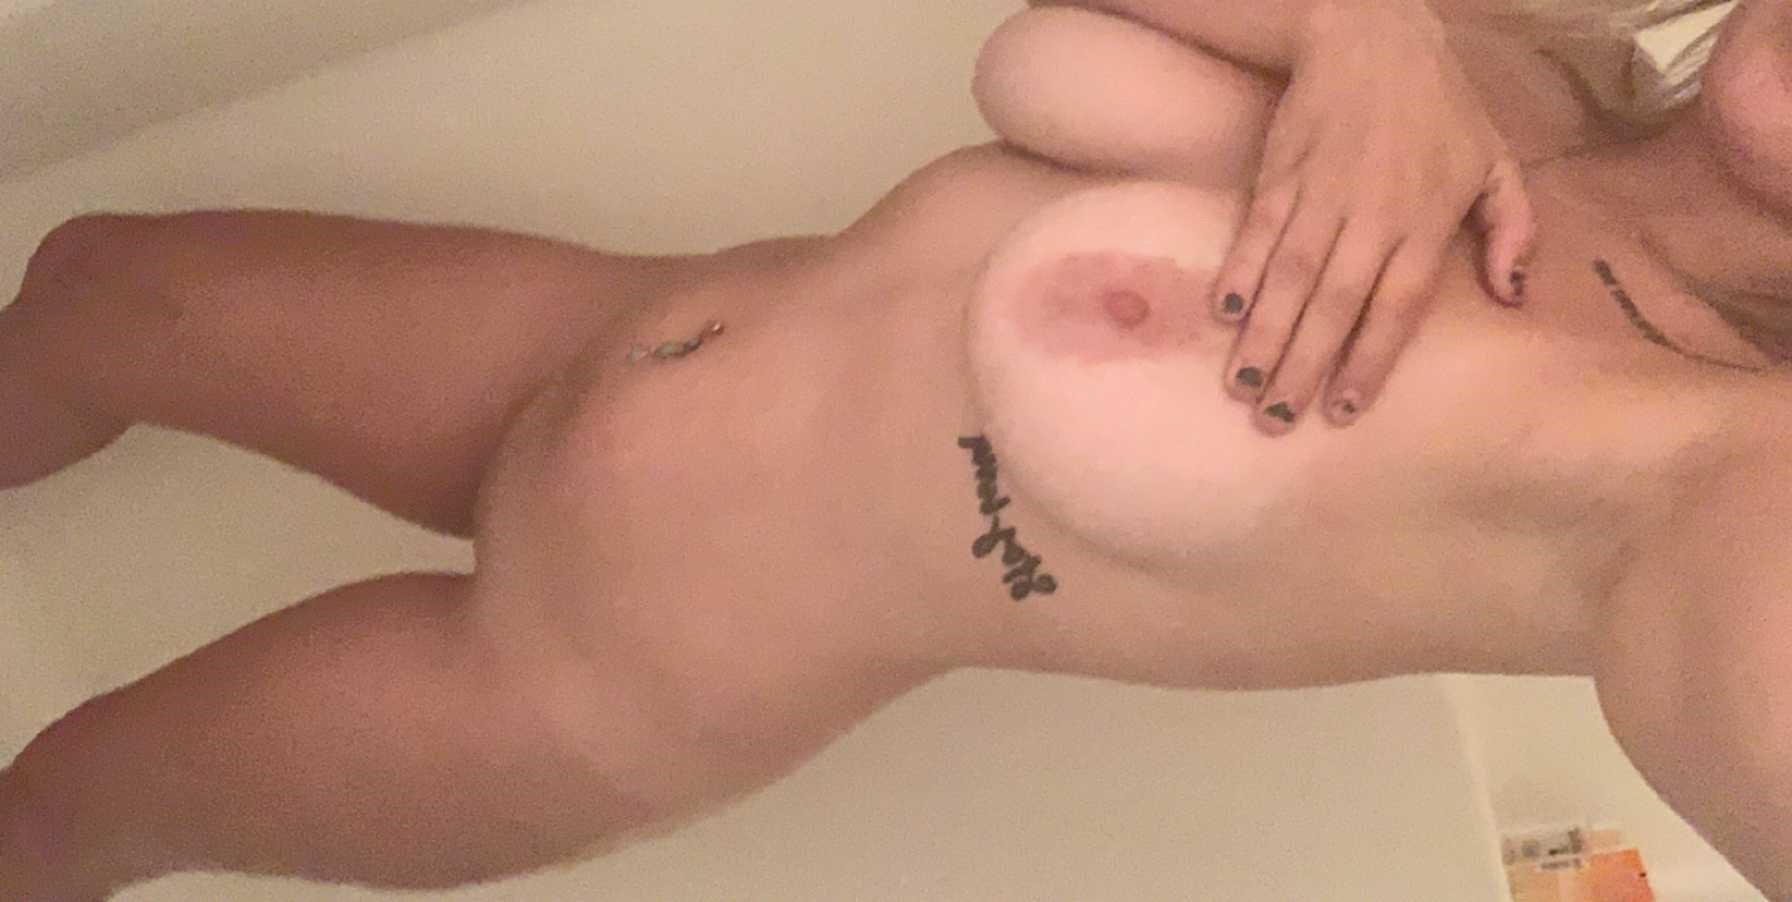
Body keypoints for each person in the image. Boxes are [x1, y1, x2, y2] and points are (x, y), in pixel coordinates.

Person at [4, 0, 1790, 898]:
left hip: (583, 670)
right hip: (610, 333)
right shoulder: (1538, 65)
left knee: (57, 808)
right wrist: (1364, 29)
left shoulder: (1702, 470)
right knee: (91, 287)